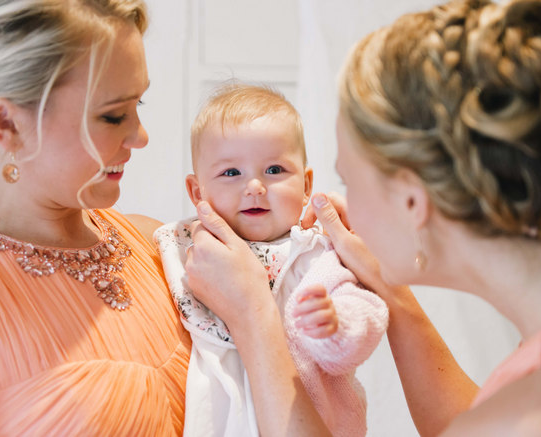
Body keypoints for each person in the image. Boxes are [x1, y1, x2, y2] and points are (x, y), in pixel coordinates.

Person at [184, 0, 541, 435]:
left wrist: (254, 315)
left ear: (412, 202)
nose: (338, 203)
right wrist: (391, 290)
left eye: (348, 181)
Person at [0, 0, 195, 434]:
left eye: (139, 105)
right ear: (6, 123)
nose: (141, 135)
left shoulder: (159, 247)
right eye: (112, 115)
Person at [154, 83, 388, 437]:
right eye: (231, 173)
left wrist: (335, 324)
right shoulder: (186, 247)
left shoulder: (317, 254)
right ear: (197, 192)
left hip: (307, 419)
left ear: (307, 184)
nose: (255, 187)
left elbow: (368, 313)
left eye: (275, 170)